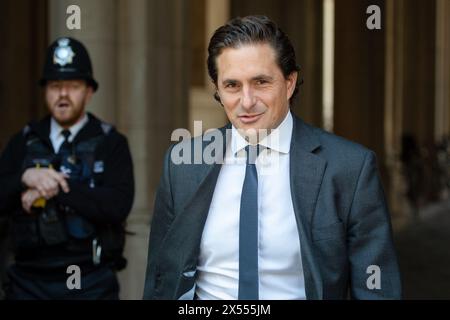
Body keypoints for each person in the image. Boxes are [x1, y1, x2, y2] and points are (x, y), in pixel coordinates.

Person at [143, 15, 401, 300]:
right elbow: (160, 277)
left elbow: (377, 289)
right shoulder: (182, 163)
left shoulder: (350, 168)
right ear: (218, 90)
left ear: (289, 83)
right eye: (232, 86)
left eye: (261, 82)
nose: (247, 101)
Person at [0, 37, 134, 299]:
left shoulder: (111, 143)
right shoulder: (24, 140)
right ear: (45, 91)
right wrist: (25, 177)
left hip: (90, 282)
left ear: (89, 91)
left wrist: (54, 188)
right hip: (28, 283)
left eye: (72, 86)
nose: (62, 94)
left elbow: (117, 205)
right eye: (55, 86)